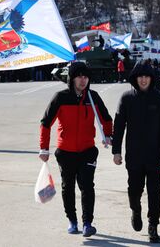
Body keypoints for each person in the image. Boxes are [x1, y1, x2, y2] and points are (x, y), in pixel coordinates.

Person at [39, 62, 113, 237]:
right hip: (66, 152)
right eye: (79, 76)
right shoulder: (60, 98)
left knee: (87, 186)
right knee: (68, 187)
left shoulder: (92, 97)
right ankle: (72, 221)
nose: (83, 80)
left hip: (87, 150)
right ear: (72, 79)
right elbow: (46, 123)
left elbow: (106, 119)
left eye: (86, 77)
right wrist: (44, 147)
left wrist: (108, 135)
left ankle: (88, 223)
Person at [112, 61, 160, 244]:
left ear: (152, 78)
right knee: (134, 190)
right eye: (140, 76)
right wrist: (116, 151)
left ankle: (153, 225)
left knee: (154, 191)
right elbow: (119, 127)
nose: (144, 79)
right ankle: (136, 210)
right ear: (135, 78)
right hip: (134, 155)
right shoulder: (126, 98)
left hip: (155, 155)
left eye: (147, 76)